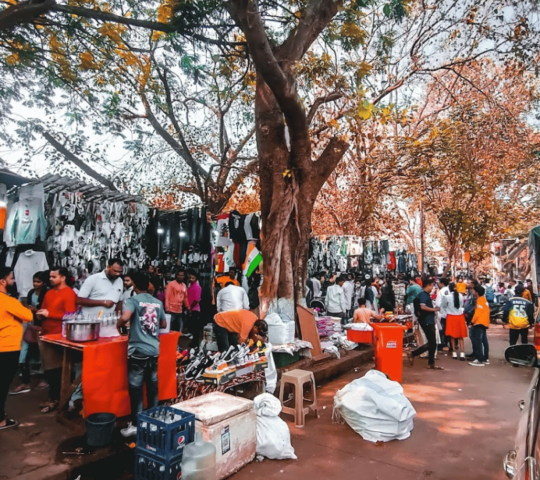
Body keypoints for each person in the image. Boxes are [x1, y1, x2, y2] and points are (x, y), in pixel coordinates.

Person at [117, 272, 166, 437]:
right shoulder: (158, 302)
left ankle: (136, 425)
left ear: (135, 286)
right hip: (154, 350)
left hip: (138, 351)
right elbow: (164, 323)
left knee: (136, 389)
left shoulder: (132, 301)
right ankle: (154, 422)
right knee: (152, 387)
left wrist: (118, 324)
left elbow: (125, 317)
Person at [36, 267, 78, 413]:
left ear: (63, 277)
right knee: (49, 369)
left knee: (58, 369)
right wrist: (40, 314)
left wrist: (49, 314)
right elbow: (43, 310)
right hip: (46, 334)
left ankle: (58, 400)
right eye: (50, 277)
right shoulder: (48, 293)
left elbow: (71, 316)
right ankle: (55, 398)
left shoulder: (69, 293)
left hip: (59, 336)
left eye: (54, 277)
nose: (51, 279)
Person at [0, 267, 33, 430]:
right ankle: (1, 420)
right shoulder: (8, 301)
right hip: (7, 348)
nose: (14, 281)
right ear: (3, 282)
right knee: (3, 384)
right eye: (12, 278)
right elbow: (28, 316)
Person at [11, 271, 48, 395]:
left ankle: (45, 378)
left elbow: (46, 312)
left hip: (43, 326)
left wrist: (36, 310)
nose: (35, 284)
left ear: (43, 283)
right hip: (32, 325)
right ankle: (25, 381)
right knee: (24, 352)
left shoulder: (46, 293)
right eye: (34, 281)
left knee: (44, 354)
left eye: (38, 281)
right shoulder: (31, 293)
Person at [407, 278, 443, 370]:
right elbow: (423, 307)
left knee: (432, 343)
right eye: (432, 286)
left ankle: (430, 363)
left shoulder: (425, 295)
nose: (433, 288)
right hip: (426, 321)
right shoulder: (423, 295)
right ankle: (414, 354)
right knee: (432, 343)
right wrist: (434, 309)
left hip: (427, 320)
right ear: (428, 285)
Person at [442, 282, 467, 360]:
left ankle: (454, 353)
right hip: (460, 317)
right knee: (460, 336)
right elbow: (462, 304)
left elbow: (443, 305)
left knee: (452, 336)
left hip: (451, 317)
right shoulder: (460, 295)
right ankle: (462, 353)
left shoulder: (447, 297)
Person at [469, 285, 490, 366]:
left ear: (477, 293)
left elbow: (477, 313)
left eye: (473, 290)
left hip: (479, 322)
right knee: (484, 341)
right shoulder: (484, 299)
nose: (472, 292)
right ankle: (485, 358)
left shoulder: (480, 300)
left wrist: (472, 321)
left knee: (478, 341)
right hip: (484, 322)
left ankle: (480, 359)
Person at [186, 270, 202, 346]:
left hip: (194, 309)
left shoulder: (197, 287)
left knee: (194, 327)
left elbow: (196, 299)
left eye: (193, 278)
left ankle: (195, 343)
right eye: (190, 278)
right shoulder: (190, 285)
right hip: (191, 308)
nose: (191, 279)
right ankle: (194, 342)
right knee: (192, 326)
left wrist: (190, 308)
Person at [435, 277, 450, 351]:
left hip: (442, 313)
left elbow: (438, 303)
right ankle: (447, 344)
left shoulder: (441, 292)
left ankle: (441, 344)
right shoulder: (450, 290)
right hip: (450, 313)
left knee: (441, 329)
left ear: (442, 283)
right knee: (448, 329)